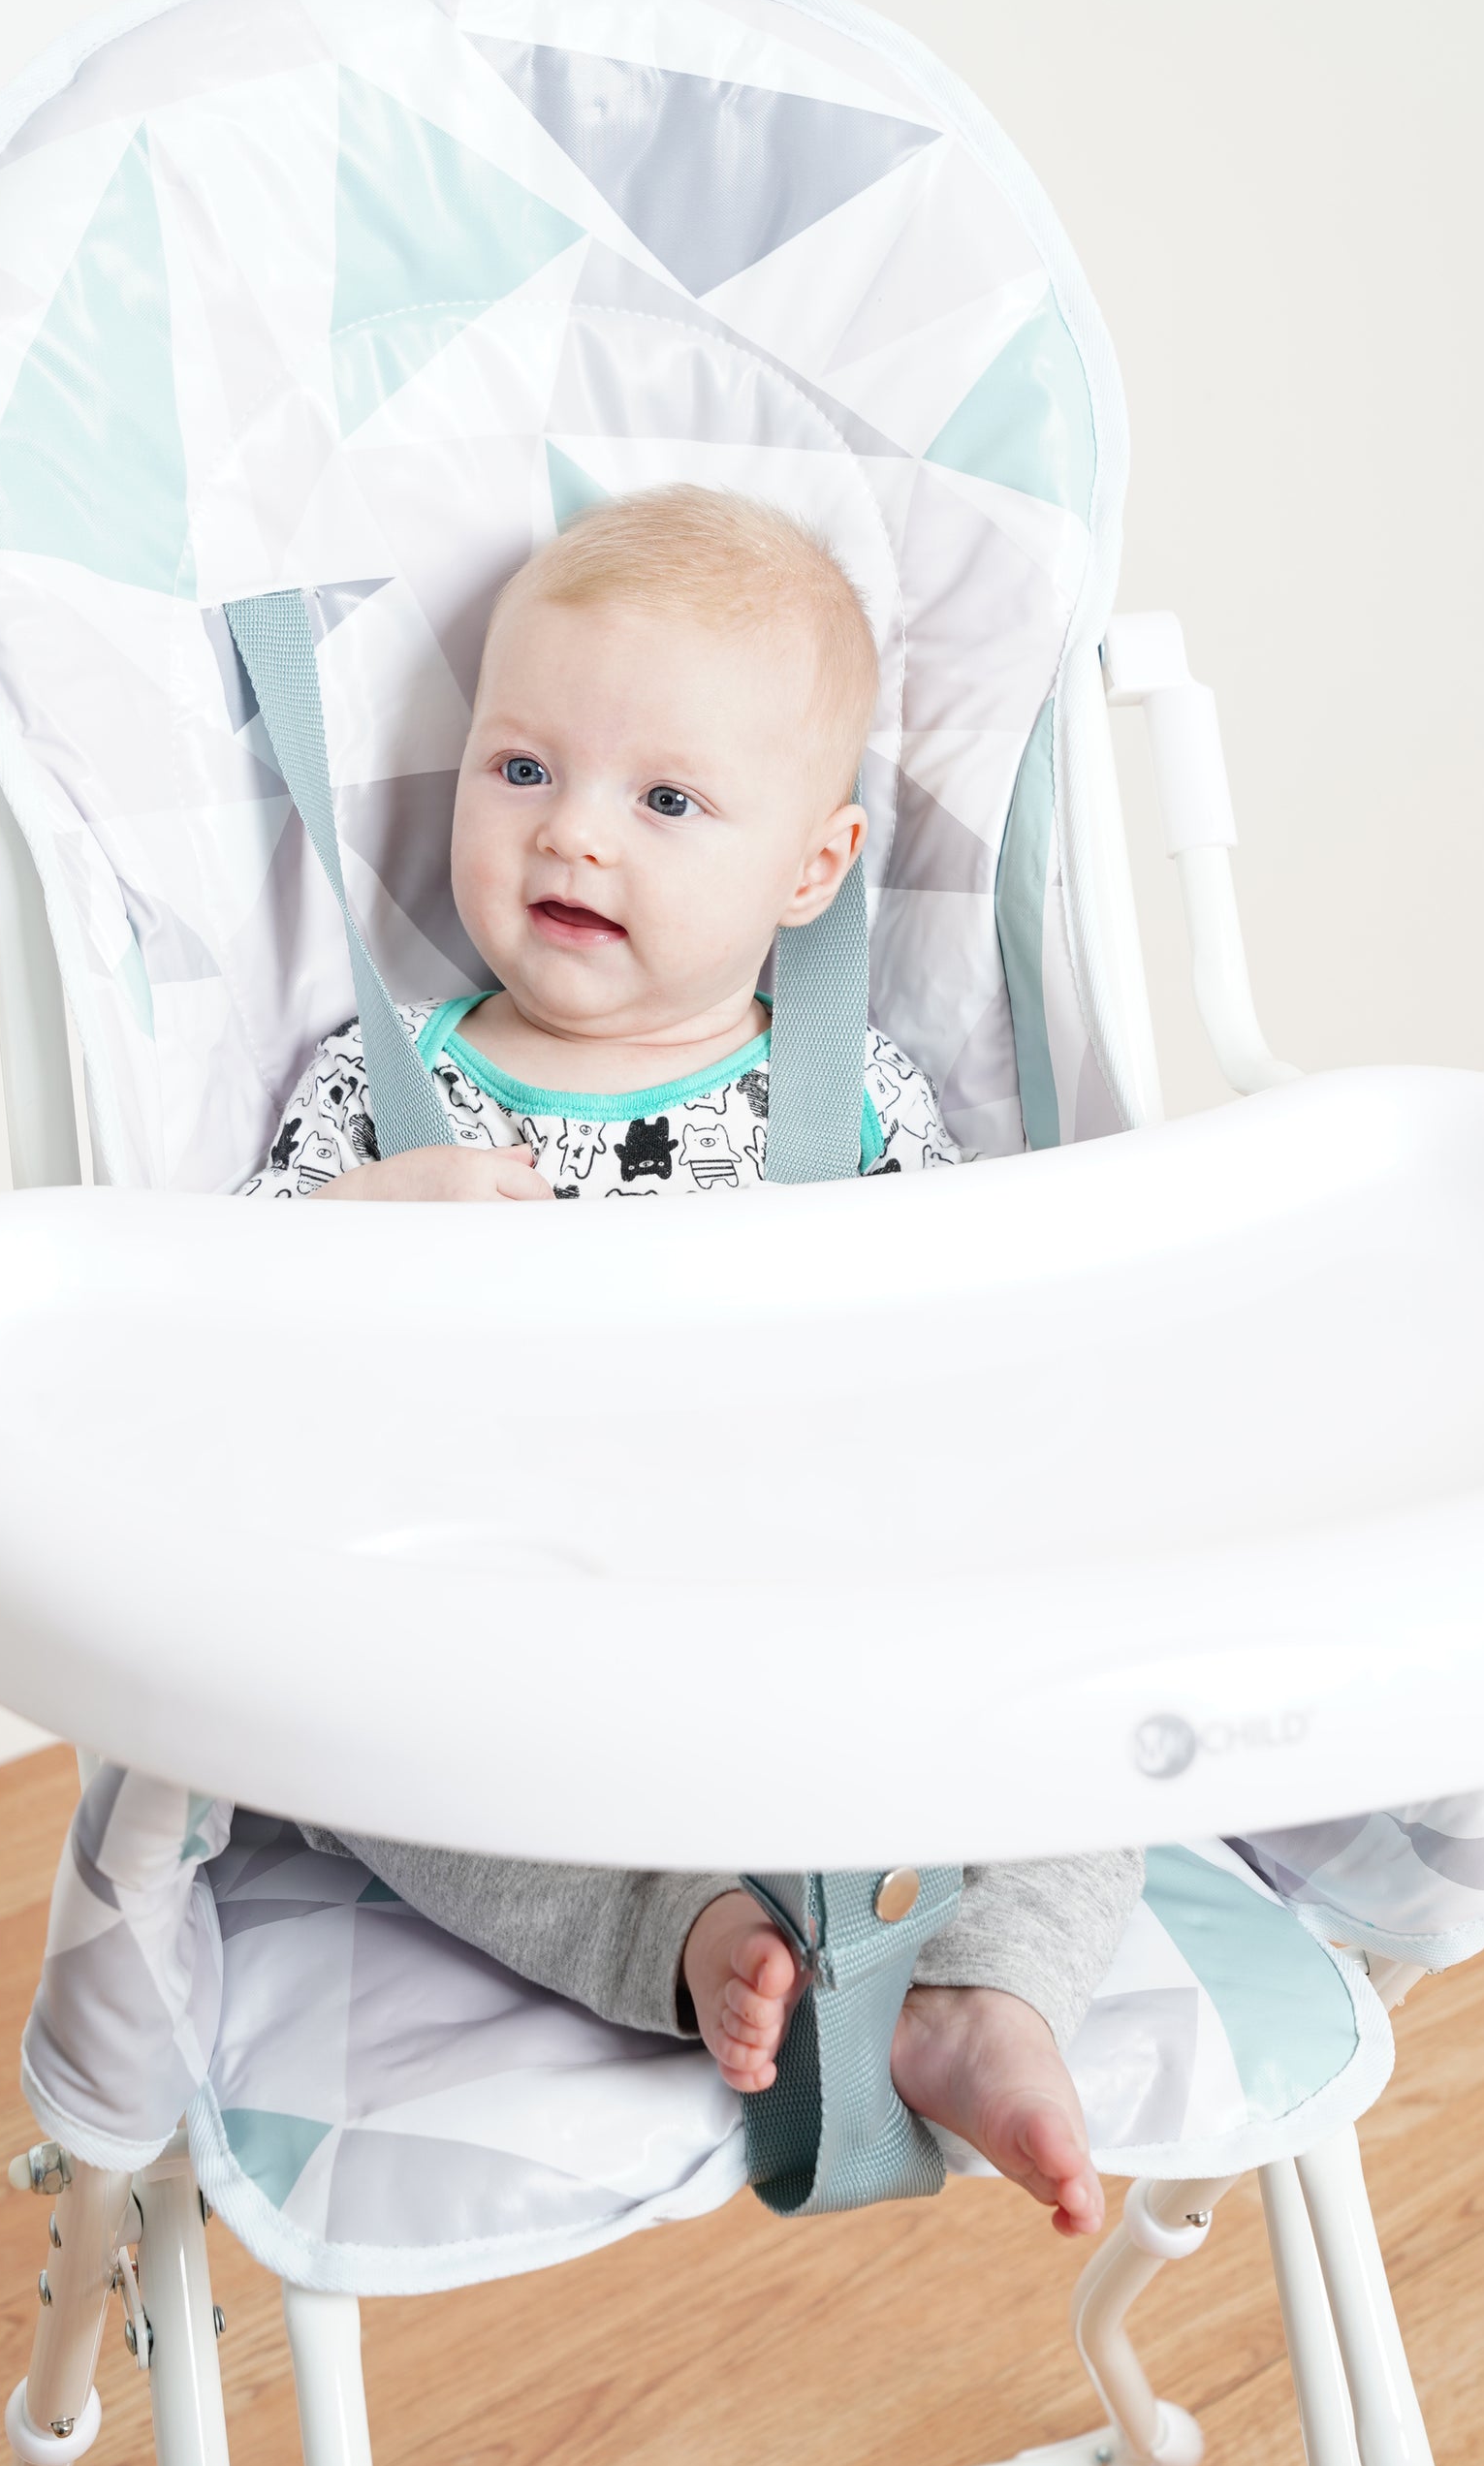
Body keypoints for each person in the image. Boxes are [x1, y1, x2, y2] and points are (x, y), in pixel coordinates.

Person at [242, 486, 1141, 2235]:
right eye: (523, 771)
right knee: (368, 1758)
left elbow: (982, 1341)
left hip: (830, 1620)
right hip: (529, 1657)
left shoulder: (857, 1096)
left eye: (665, 801)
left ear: (811, 869)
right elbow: (231, 1356)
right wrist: (356, 1232)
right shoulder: (380, 1091)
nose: (576, 837)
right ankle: (691, 1934)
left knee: (1082, 1715)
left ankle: (981, 2001)